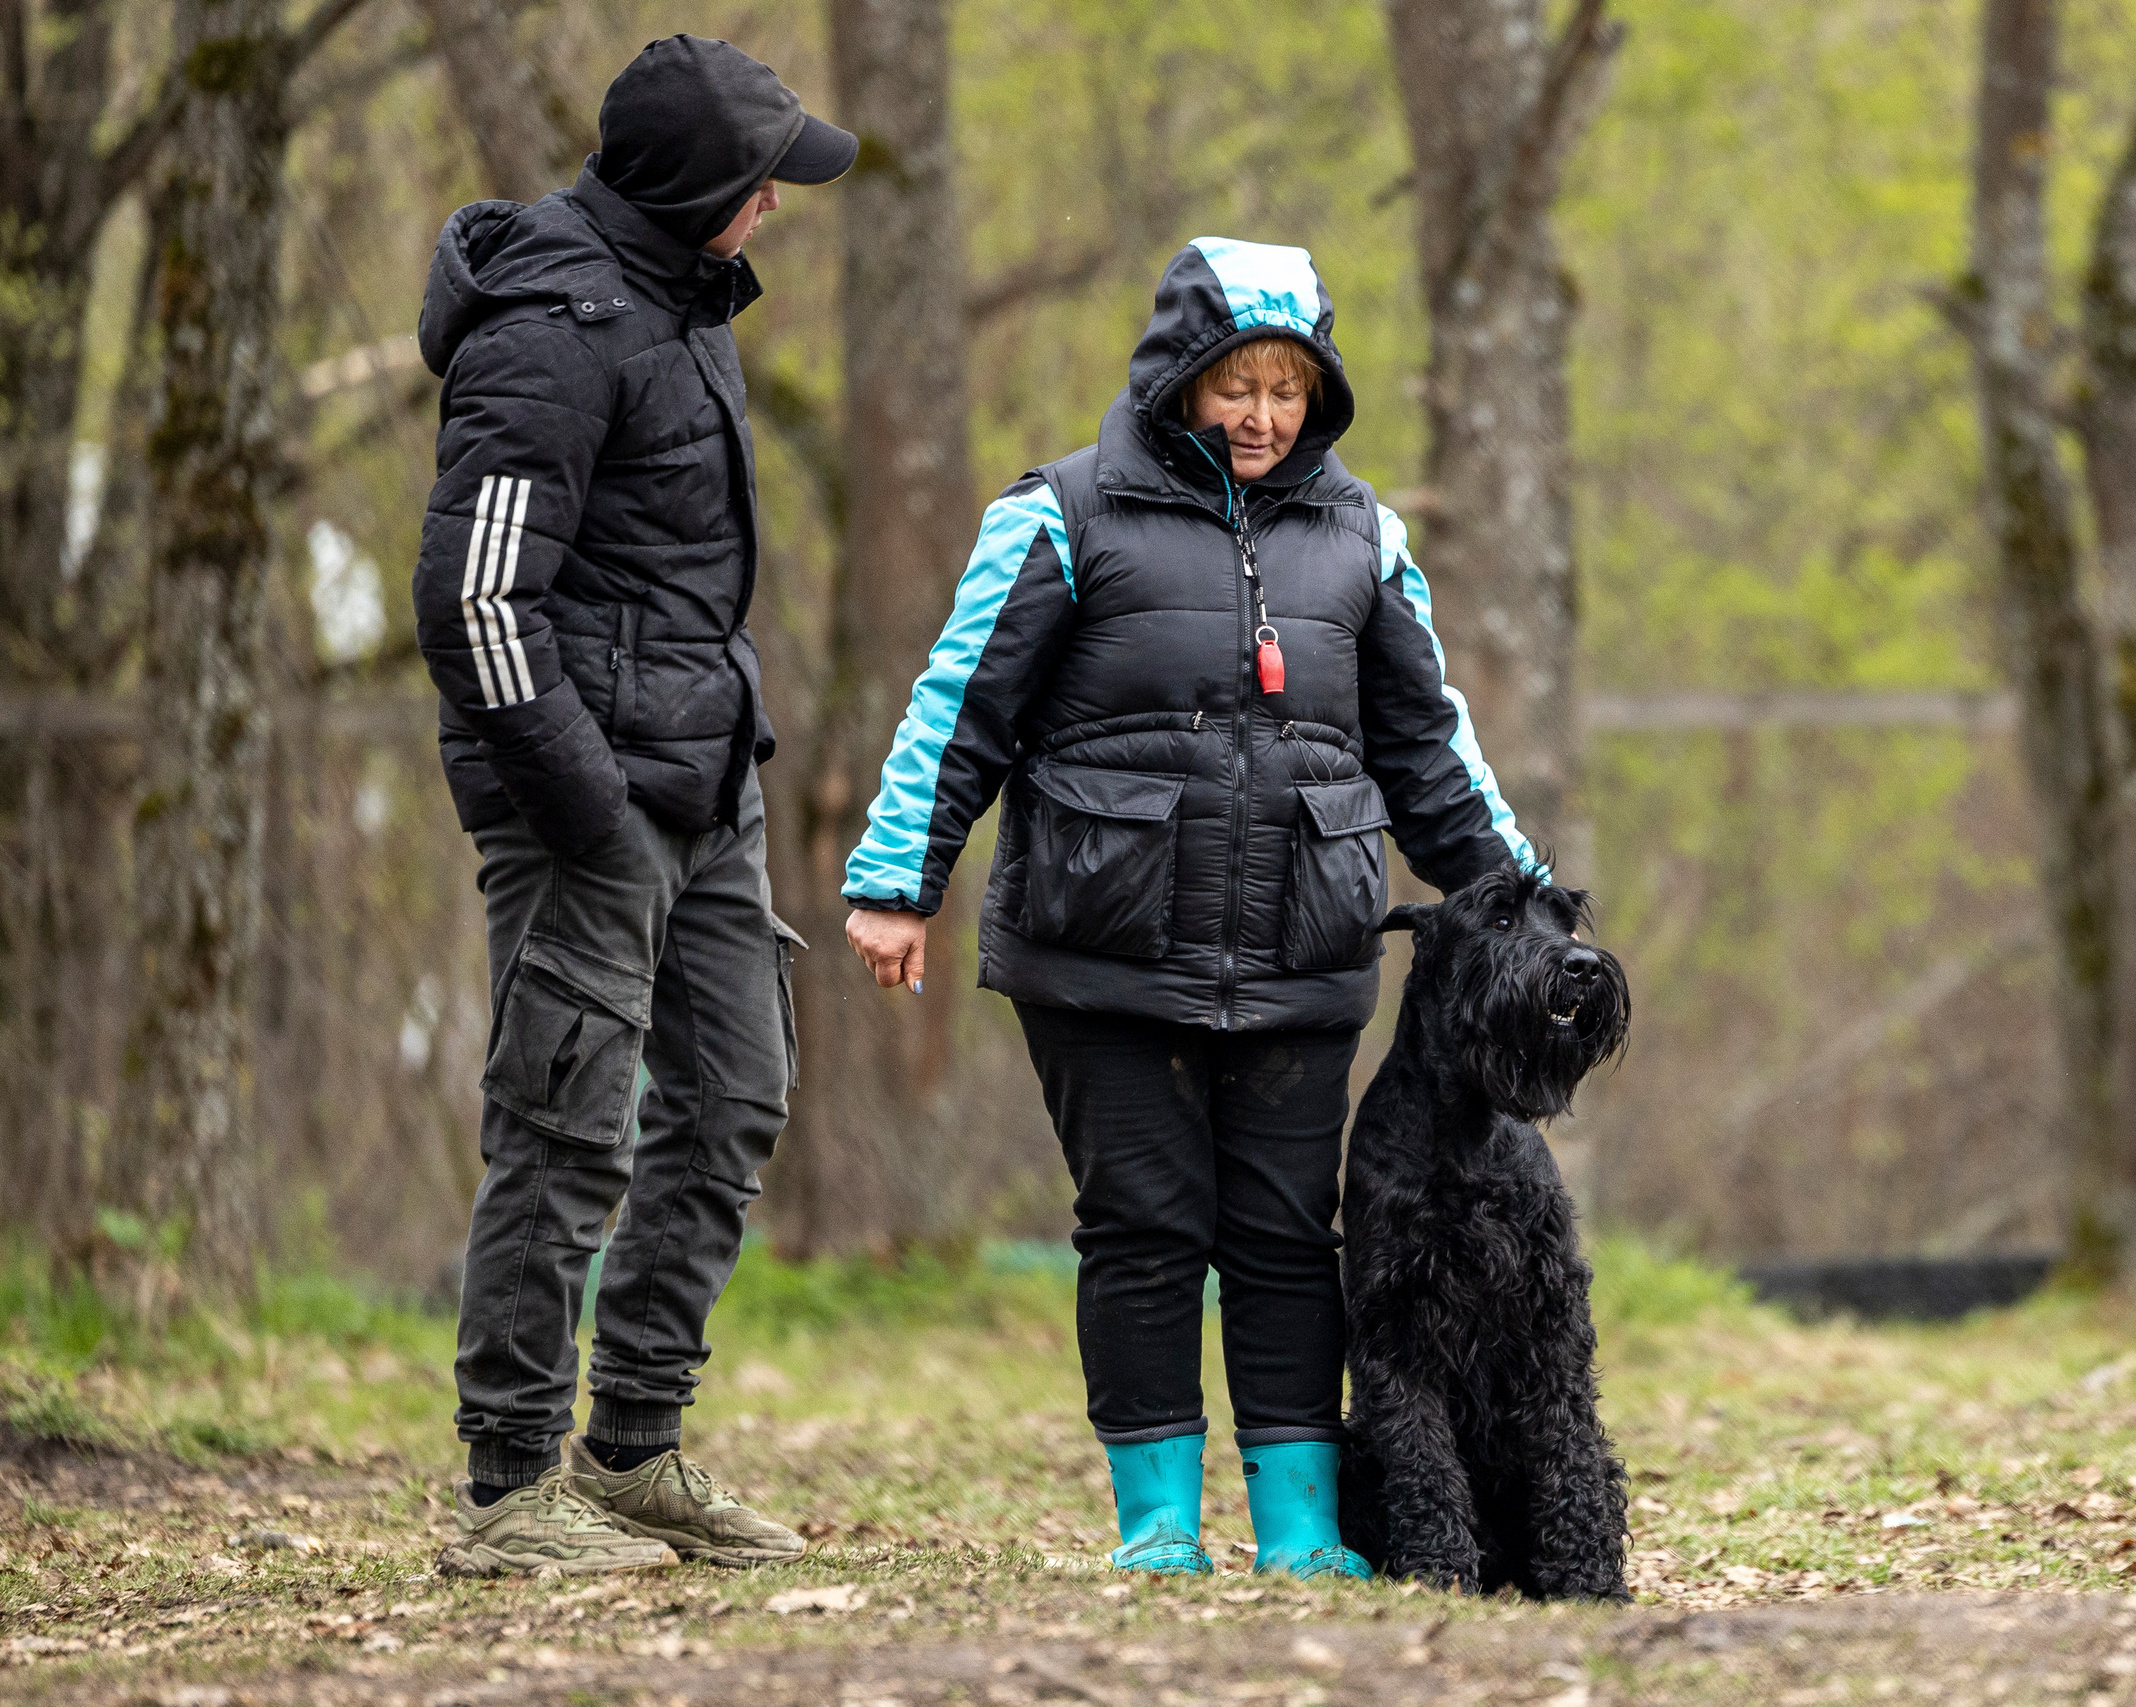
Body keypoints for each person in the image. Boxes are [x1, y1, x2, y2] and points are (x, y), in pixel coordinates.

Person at [842, 238, 1541, 1579]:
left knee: (1287, 1236)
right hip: (1103, 954)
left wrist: (1523, 902)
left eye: (1289, 389)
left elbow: (1430, 750)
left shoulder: (1364, 539)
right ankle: (1157, 1525)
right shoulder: (1058, 514)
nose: (1263, 417)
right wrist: (896, 881)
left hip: (1304, 946)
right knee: (1146, 1231)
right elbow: (959, 709)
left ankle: (1297, 1530)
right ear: (1179, 377)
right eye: (1237, 385)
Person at [410, 35, 858, 1576]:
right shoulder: (551, 334)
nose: (776, 210)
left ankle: (632, 1454)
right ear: (691, 191)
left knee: (733, 1096)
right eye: (758, 183)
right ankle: (508, 1486)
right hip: (585, 808)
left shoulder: (685, 305)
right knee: (564, 1129)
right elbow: (473, 599)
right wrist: (589, 810)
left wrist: (721, 762)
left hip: (705, 789)